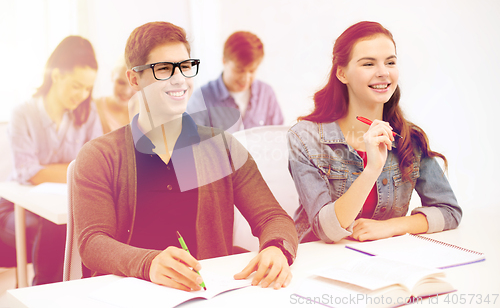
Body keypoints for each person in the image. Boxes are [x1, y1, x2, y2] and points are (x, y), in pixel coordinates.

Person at [71, 22, 298, 292]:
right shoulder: (99, 156)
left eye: (185, 67)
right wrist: (148, 263)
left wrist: (275, 249)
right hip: (129, 293)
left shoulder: (222, 147)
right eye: (164, 69)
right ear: (134, 79)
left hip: (204, 293)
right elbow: (92, 243)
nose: (179, 79)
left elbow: (273, 218)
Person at [287, 21, 462, 244]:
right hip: (317, 260)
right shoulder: (305, 138)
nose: (383, 73)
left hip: (380, 261)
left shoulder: (409, 138)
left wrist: (390, 227)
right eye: (368, 64)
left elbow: (449, 211)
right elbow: (326, 231)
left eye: (390, 62)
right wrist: (372, 170)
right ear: (342, 73)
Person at [0, 36, 102, 285]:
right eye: (77, 85)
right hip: (17, 209)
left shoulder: (88, 114)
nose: (82, 94)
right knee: (57, 228)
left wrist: (51, 170)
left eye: (88, 88)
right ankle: (43, 292)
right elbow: (29, 172)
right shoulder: (23, 113)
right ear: (56, 75)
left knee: (80, 226)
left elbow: (97, 165)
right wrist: (76, 169)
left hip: (66, 207)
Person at [187, 31, 283, 132]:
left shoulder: (266, 93)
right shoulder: (200, 99)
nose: (245, 79)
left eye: (252, 71)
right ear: (224, 61)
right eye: (239, 70)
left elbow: (277, 137)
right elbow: (192, 144)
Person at [95, 59, 136, 134]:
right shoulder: (93, 107)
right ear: (112, 75)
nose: (126, 92)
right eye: (121, 82)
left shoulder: (147, 115)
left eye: (133, 85)